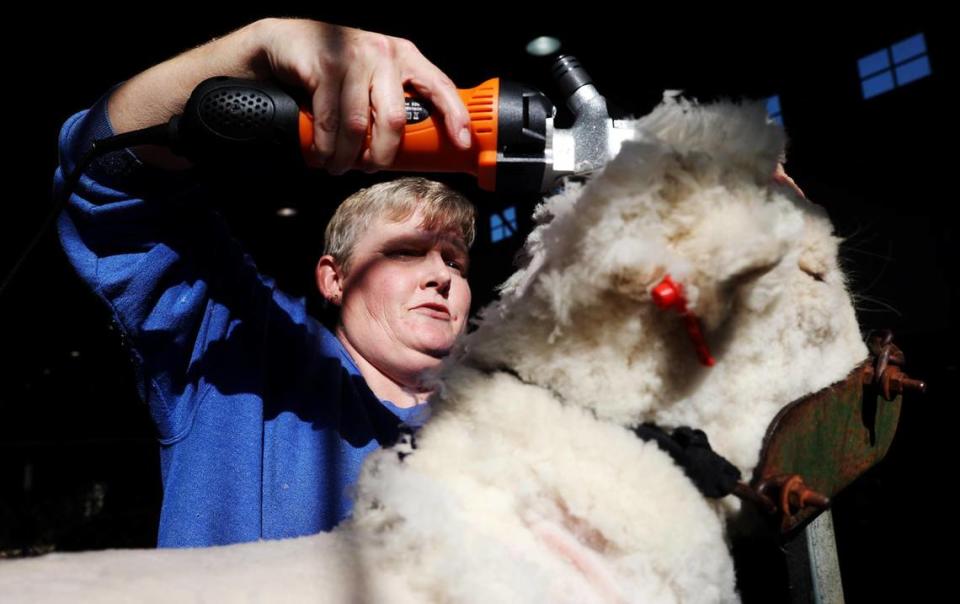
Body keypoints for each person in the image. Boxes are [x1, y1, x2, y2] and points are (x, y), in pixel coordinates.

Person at [54, 17, 476, 548]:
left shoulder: (505, 426)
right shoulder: (238, 357)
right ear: (334, 278)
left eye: (455, 262)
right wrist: (258, 44)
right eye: (407, 252)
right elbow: (105, 177)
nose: (441, 275)